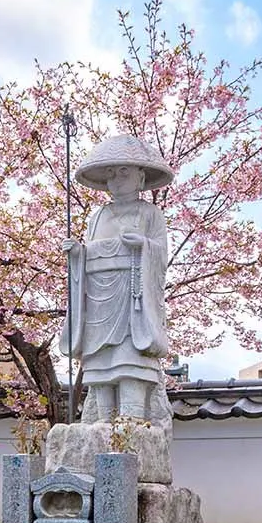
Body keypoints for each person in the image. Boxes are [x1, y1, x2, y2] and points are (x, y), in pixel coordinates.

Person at [60, 134, 173, 423]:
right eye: (110, 173)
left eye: (124, 172)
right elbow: (88, 253)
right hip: (99, 302)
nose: (116, 179)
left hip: (133, 301)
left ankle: (132, 423)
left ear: (141, 176)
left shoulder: (150, 213)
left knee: (130, 360)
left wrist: (143, 245)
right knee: (100, 368)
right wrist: (77, 254)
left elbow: (161, 255)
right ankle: (101, 424)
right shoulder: (97, 216)